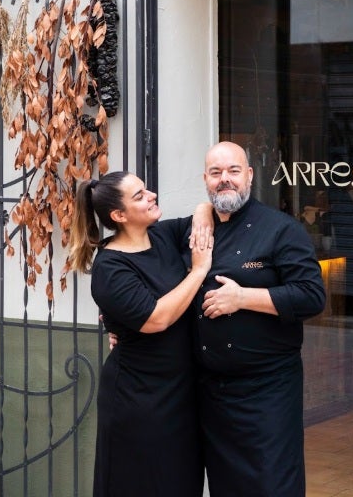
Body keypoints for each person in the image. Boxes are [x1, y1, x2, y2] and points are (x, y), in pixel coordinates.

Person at [191, 141, 326, 497]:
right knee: (225, 485)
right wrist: (123, 323)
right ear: (205, 179)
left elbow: (312, 296)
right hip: (212, 392)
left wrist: (242, 298)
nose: (225, 180)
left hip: (269, 391)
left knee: (272, 484)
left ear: (249, 175)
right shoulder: (194, 232)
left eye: (234, 171)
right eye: (216, 173)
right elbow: (141, 256)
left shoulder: (282, 229)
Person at [68, 171, 214, 497]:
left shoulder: (162, 235)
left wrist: (204, 208)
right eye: (139, 196)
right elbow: (157, 319)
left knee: (180, 482)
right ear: (119, 216)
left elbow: (207, 214)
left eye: (146, 189)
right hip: (139, 400)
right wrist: (199, 270)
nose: (151, 196)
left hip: (180, 393)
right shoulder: (110, 268)